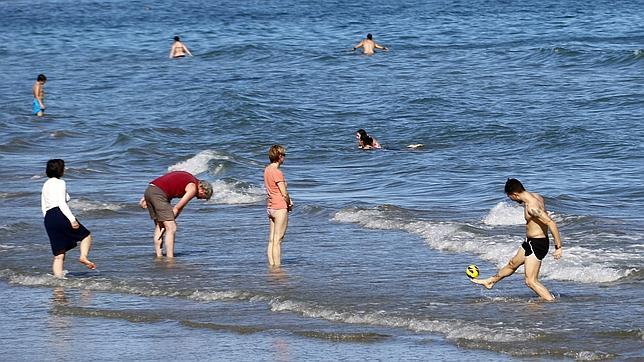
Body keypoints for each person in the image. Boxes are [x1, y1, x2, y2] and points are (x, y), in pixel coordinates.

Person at [471, 178, 563, 301]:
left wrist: (558, 247)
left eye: (510, 198)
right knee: (512, 264)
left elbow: (551, 223)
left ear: (514, 194)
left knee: (530, 281)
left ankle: (551, 302)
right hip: (530, 242)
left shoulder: (532, 207)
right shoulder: (536, 196)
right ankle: (491, 281)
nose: (512, 200)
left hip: (537, 244)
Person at [41, 159, 96, 278]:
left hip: (49, 218)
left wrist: (48, 220)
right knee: (86, 236)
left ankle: (58, 282)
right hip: (60, 213)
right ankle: (83, 257)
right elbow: (61, 203)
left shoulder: (46, 184)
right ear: (60, 169)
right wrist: (72, 219)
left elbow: (43, 206)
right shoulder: (60, 183)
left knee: (58, 254)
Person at [139, 171, 213, 258]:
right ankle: (170, 258)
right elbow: (178, 208)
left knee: (160, 226)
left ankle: (159, 256)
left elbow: (166, 179)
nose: (199, 198)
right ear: (202, 189)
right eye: (202, 196)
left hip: (150, 190)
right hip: (159, 194)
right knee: (171, 227)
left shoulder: (189, 177)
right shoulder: (193, 188)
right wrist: (170, 220)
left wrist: (146, 196)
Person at [264, 145, 293, 267]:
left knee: (271, 240)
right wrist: (289, 203)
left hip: (270, 207)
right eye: (284, 155)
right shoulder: (277, 172)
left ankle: (272, 266)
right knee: (278, 240)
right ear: (279, 156)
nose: (284, 158)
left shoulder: (267, 170)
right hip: (280, 206)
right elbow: (284, 193)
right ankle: (277, 268)